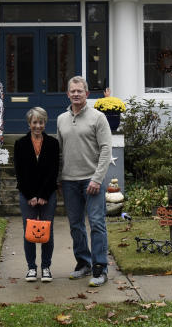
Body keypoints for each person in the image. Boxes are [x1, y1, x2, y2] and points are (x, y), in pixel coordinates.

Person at [57, 76, 113, 287]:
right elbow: (60, 152)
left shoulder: (98, 118)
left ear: (87, 94)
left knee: (97, 224)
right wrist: (59, 178)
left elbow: (106, 149)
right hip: (69, 181)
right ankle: (83, 263)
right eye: (73, 91)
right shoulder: (62, 119)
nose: (76, 94)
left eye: (80, 91)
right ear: (68, 94)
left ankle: (100, 268)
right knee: (76, 226)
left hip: (92, 180)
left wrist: (97, 178)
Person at [13, 107, 60, 282]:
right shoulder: (20, 144)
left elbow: (53, 171)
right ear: (29, 123)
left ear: (45, 123)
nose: (37, 126)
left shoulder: (53, 144)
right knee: (30, 232)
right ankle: (31, 268)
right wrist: (31, 195)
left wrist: (43, 194)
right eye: (34, 122)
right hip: (27, 196)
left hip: (48, 195)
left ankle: (46, 267)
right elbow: (20, 173)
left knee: (47, 231)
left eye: (41, 122)